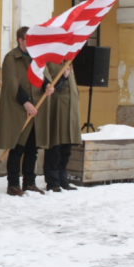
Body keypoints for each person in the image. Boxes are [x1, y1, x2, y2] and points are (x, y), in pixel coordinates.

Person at [0, 26, 54, 196]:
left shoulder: (36, 58)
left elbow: (43, 76)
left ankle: (29, 182)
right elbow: (12, 84)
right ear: (21, 40)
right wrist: (26, 103)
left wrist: (47, 85)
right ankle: (13, 184)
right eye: (30, 40)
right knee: (17, 148)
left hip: (36, 108)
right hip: (19, 109)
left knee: (32, 148)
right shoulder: (11, 58)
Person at [44, 62, 82, 192]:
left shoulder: (69, 61)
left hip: (71, 110)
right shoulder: (50, 63)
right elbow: (52, 89)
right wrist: (64, 77)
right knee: (55, 147)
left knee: (66, 148)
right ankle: (53, 181)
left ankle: (63, 180)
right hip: (58, 108)